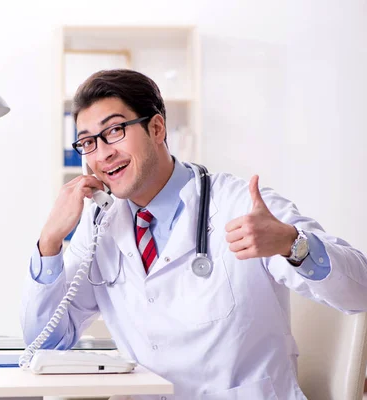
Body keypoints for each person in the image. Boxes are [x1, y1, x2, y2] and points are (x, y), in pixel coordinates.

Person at [20, 69, 367, 399]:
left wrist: (293, 244)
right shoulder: (100, 222)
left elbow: (359, 291)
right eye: (88, 142)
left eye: (114, 131)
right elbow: (46, 343)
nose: (103, 153)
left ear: (157, 128)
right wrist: (49, 242)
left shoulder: (239, 204)